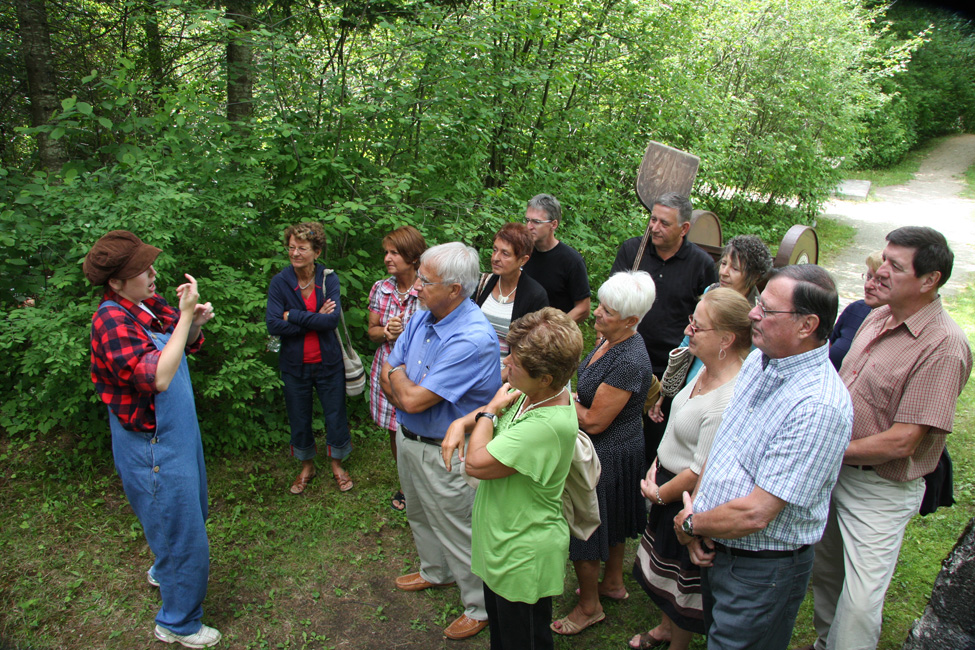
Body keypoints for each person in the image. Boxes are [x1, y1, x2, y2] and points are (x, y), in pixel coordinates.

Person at [808, 227, 972, 650]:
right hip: (835, 473)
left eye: (895, 266)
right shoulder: (876, 314)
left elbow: (904, 442)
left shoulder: (944, 346)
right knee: (826, 572)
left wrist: (827, 448)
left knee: (861, 599)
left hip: (879, 488)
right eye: (883, 259)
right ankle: (827, 642)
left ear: (929, 279)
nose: (880, 271)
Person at [673, 264, 853, 650]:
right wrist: (699, 517)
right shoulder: (759, 360)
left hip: (762, 569)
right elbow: (724, 446)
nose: (753, 312)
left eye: (767, 310)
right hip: (718, 547)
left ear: (807, 325)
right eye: (759, 303)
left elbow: (757, 512)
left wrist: (692, 524)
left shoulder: (819, 406)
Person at [85, 230, 221, 648]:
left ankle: (166, 570)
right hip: (152, 444)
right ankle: (177, 623)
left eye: (150, 264)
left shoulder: (145, 305)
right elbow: (159, 377)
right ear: (116, 282)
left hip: (180, 433)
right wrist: (183, 318)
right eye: (141, 270)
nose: (152, 273)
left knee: (187, 512)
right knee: (182, 529)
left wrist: (193, 325)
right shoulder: (110, 320)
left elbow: (184, 347)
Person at [379, 242, 502, 640]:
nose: (415, 286)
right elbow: (389, 369)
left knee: (458, 528)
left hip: (446, 451)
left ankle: (480, 606)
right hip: (410, 437)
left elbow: (408, 393)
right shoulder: (423, 315)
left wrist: (397, 378)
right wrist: (399, 380)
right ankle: (436, 572)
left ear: (454, 289)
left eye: (425, 281)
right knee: (418, 512)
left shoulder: (472, 338)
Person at [441, 307, 584, 650]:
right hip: (504, 540)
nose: (505, 368)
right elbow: (491, 425)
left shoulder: (545, 425)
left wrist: (487, 411)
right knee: (506, 637)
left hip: (522, 553)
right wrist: (463, 422)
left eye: (513, 365)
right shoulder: (531, 394)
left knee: (522, 640)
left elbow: (475, 462)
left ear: (546, 377)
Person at [630, 288, 752, 650]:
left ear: (726, 339)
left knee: (681, 583)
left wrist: (657, 493)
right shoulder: (704, 370)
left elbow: (700, 471)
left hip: (683, 496)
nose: (688, 331)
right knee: (664, 573)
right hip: (666, 480)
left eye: (698, 327)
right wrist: (656, 463)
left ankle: (677, 643)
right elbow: (678, 424)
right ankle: (666, 628)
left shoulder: (728, 397)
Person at [550, 271, 657, 636]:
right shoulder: (611, 340)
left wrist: (560, 398)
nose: (595, 313)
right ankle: (612, 583)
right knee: (610, 519)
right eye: (599, 304)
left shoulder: (628, 360)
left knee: (588, 527)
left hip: (607, 452)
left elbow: (595, 422)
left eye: (607, 311)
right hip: (622, 445)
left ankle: (588, 606)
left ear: (631, 320)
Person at [610, 193, 718, 461]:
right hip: (623, 357)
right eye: (653, 219)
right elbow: (611, 301)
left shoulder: (701, 264)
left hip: (669, 370)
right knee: (612, 429)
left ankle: (644, 491)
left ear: (684, 229)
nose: (655, 228)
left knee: (655, 438)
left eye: (664, 223)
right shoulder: (632, 251)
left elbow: (706, 317)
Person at [266, 222, 353, 495]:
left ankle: (337, 463)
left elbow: (330, 323)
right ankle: (307, 466)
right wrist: (315, 318)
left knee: (335, 414)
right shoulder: (280, 282)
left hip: (328, 362)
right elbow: (272, 325)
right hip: (294, 365)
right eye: (291, 247)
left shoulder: (329, 279)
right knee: (299, 416)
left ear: (316, 251)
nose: (295, 253)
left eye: (302, 248)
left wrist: (291, 315)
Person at [651, 235, 771, 421]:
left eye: (735, 268)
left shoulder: (755, 316)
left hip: (720, 395)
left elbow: (753, 364)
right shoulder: (711, 292)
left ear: (754, 276)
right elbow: (685, 344)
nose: (724, 272)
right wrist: (666, 391)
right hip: (691, 381)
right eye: (723, 264)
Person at [366, 225, 427, 511]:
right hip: (387, 369)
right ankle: (405, 484)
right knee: (394, 429)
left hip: (419, 371)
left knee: (422, 426)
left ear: (413, 257)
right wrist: (388, 333)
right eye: (386, 253)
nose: (388, 258)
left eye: (395, 253)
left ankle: (426, 481)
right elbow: (371, 331)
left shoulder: (427, 289)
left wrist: (408, 333)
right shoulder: (382, 288)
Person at [473, 222, 549, 374]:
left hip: (508, 378)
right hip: (471, 369)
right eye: (495, 250)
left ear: (523, 260)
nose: (495, 258)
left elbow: (533, 350)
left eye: (505, 254)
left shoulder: (535, 296)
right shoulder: (483, 283)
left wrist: (498, 380)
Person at [520, 193, 592, 324]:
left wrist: (553, 329)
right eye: (527, 220)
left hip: (554, 338)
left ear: (553, 224)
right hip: (521, 332)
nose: (529, 226)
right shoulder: (522, 254)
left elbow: (583, 308)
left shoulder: (571, 261)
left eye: (536, 222)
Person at [827, 251, 883, 371]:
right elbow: (828, 347)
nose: (868, 285)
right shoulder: (855, 310)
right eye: (868, 277)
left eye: (879, 280)